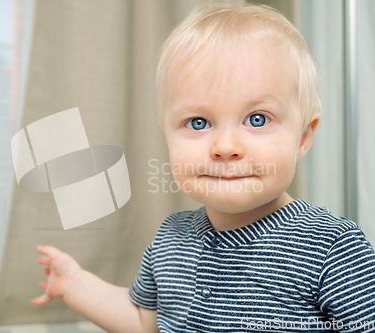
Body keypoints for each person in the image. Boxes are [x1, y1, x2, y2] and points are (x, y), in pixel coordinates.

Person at [31, 3, 375, 332]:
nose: (226, 147)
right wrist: (75, 285)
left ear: (302, 137)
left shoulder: (333, 249)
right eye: (198, 123)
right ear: (166, 135)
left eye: (257, 119)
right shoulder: (171, 239)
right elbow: (144, 323)